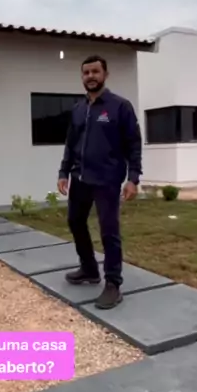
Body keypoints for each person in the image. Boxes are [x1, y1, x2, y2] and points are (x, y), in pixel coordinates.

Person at [57, 55, 142, 310]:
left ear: (105, 74)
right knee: (75, 221)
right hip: (80, 177)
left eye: (95, 71)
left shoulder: (120, 106)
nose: (90, 76)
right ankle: (89, 269)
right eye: (86, 73)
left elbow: (133, 144)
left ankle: (113, 283)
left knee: (109, 231)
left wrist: (133, 178)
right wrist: (63, 172)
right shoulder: (78, 108)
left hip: (107, 179)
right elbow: (71, 143)